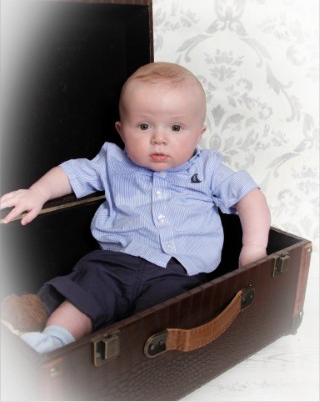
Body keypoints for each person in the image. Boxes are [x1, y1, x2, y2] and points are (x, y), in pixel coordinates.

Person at [0, 62, 271, 353]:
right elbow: (72, 173)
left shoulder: (208, 169)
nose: (159, 138)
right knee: (84, 295)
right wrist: (37, 192)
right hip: (114, 263)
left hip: (178, 271)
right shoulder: (114, 162)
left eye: (176, 127)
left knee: (166, 315)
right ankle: (52, 341)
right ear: (122, 130)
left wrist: (253, 247)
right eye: (143, 126)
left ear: (198, 133)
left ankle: (134, 359)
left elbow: (249, 195)